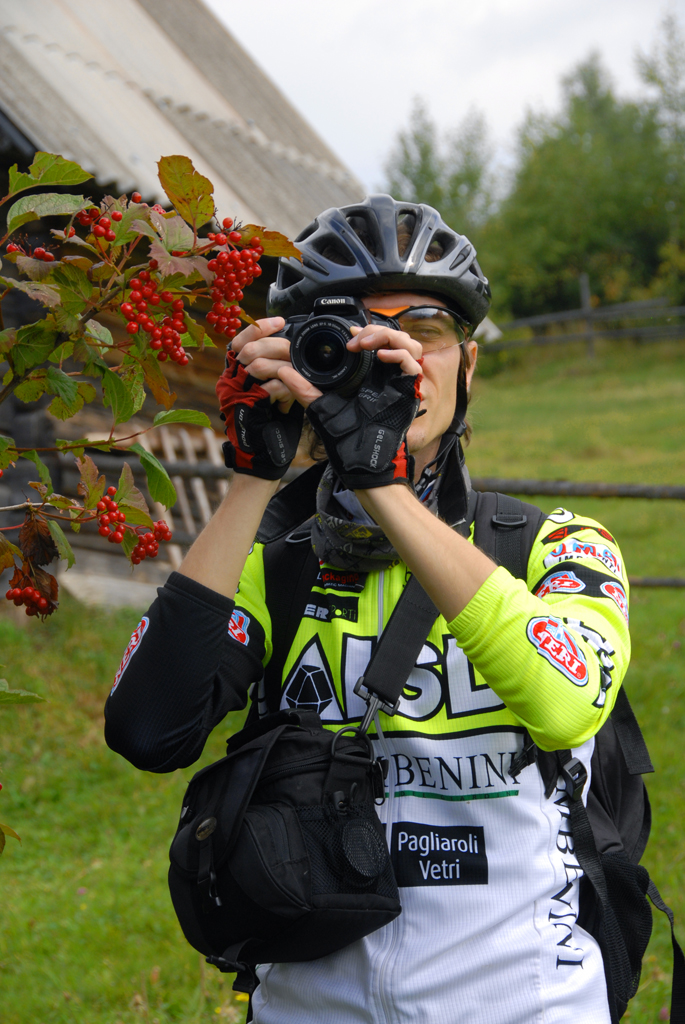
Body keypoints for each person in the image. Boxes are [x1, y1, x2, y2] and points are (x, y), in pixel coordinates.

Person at [105, 195, 631, 1024]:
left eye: (423, 327)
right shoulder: (275, 568)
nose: (395, 355)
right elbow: (147, 730)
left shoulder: (554, 547)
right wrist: (253, 477)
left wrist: (378, 481)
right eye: (352, 331)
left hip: (525, 1001)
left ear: (468, 365)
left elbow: (564, 705)